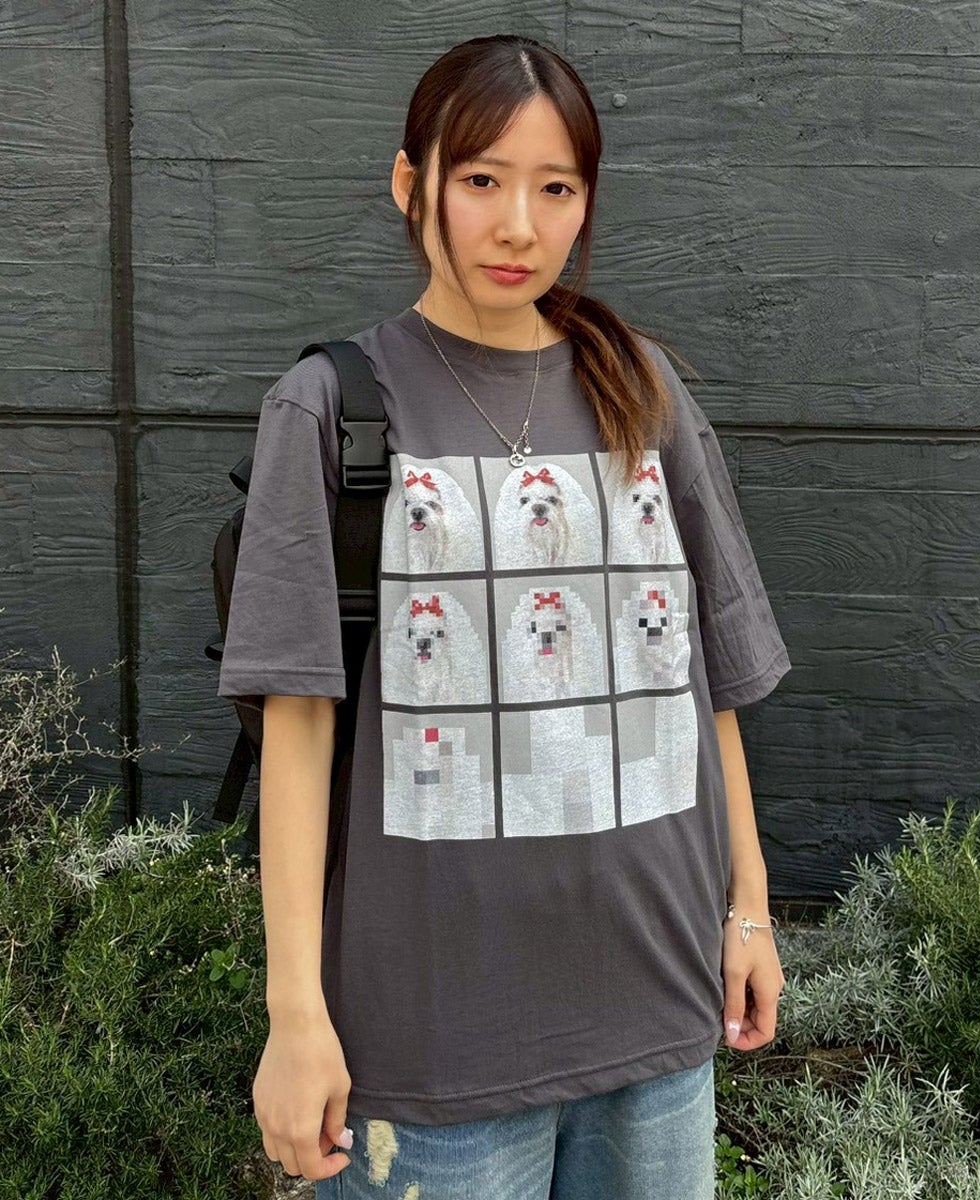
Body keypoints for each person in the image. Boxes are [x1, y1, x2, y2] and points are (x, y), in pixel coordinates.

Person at [218, 33, 790, 1200]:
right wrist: (295, 1016)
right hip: (431, 1047)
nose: (518, 224)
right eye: (481, 179)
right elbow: (299, 724)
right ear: (411, 183)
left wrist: (749, 914)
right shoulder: (332, 407)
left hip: (657, 1009)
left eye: (555, 188)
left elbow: (708, 684)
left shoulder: (641, 388)